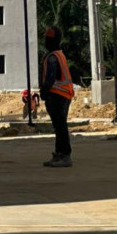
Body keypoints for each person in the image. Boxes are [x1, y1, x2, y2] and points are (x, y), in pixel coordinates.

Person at [40, 25, 74, 167]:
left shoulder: (53, 58)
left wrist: (44, 92)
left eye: (48, 39)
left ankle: (65, 155)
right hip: (63, 94)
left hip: (57, 95)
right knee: (59, 126)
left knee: (60, 126)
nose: (46, 41)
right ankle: (59, 153)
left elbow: (50, 78)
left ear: (54, 41)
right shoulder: (60, 55)